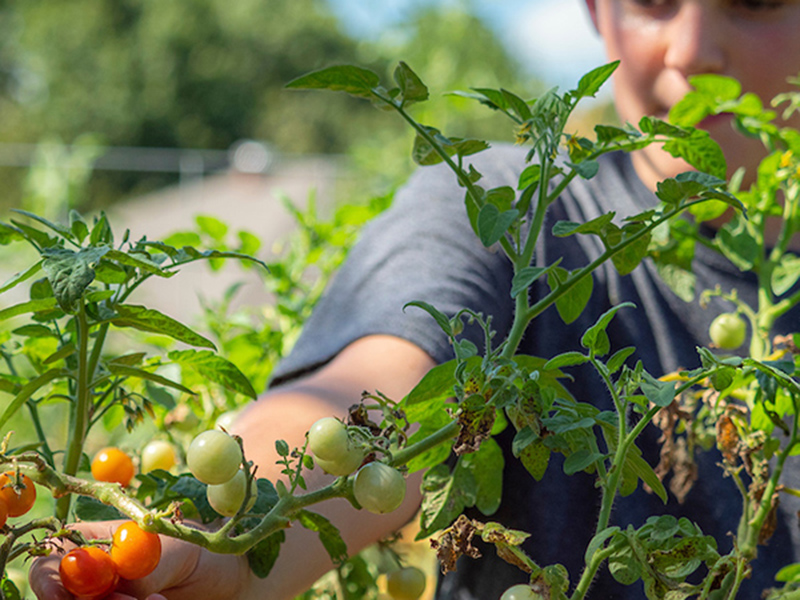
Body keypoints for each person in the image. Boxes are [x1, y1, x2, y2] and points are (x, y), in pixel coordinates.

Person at [29, 1, 800, 598]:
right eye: (657, 1)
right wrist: (221, 524)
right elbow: (374, 394)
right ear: (600, 15)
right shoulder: (506, 210)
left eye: (757, 1)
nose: (694, 50)